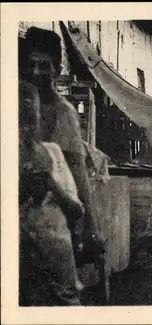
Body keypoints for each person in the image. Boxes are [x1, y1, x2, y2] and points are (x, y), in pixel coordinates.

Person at [19, 27, 102, 266]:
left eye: (44, 66)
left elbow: (78, 173)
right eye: (31, 64)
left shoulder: (63, 113)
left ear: (57, 69)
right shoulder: (14, 101)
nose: (36, 72)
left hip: (49, 218)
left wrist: (91, 229)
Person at [19, 81, 84, 306]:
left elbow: (77, 210)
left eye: (32, 114)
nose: (26, 123)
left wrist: (51, 184)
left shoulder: (53, 152)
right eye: (20, 116)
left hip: (59, 262)